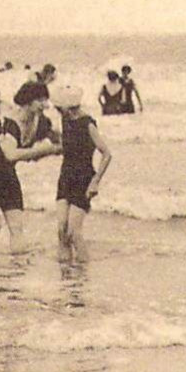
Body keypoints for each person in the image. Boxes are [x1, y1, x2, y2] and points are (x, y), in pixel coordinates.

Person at [0, 81, 62, 252]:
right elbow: (11, 154)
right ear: (27, 101)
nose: (45, 105)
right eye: (40, 100)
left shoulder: (41, 121)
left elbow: (58, 140)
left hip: (5, 172)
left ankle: (16, 274)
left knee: (17, 227)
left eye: (46, 99)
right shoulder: (7, 124)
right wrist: (48, 150)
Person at [53, 86, 114, 262]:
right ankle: (65, 277)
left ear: (69, 106)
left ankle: (82, 274)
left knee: (73, 231)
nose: (57, 110)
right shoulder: (65, 120)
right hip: (65, 177)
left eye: (59, 107)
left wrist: (95, 181)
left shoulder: (88, 124)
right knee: (61, 230)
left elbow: (107, 154)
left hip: (84, 179)